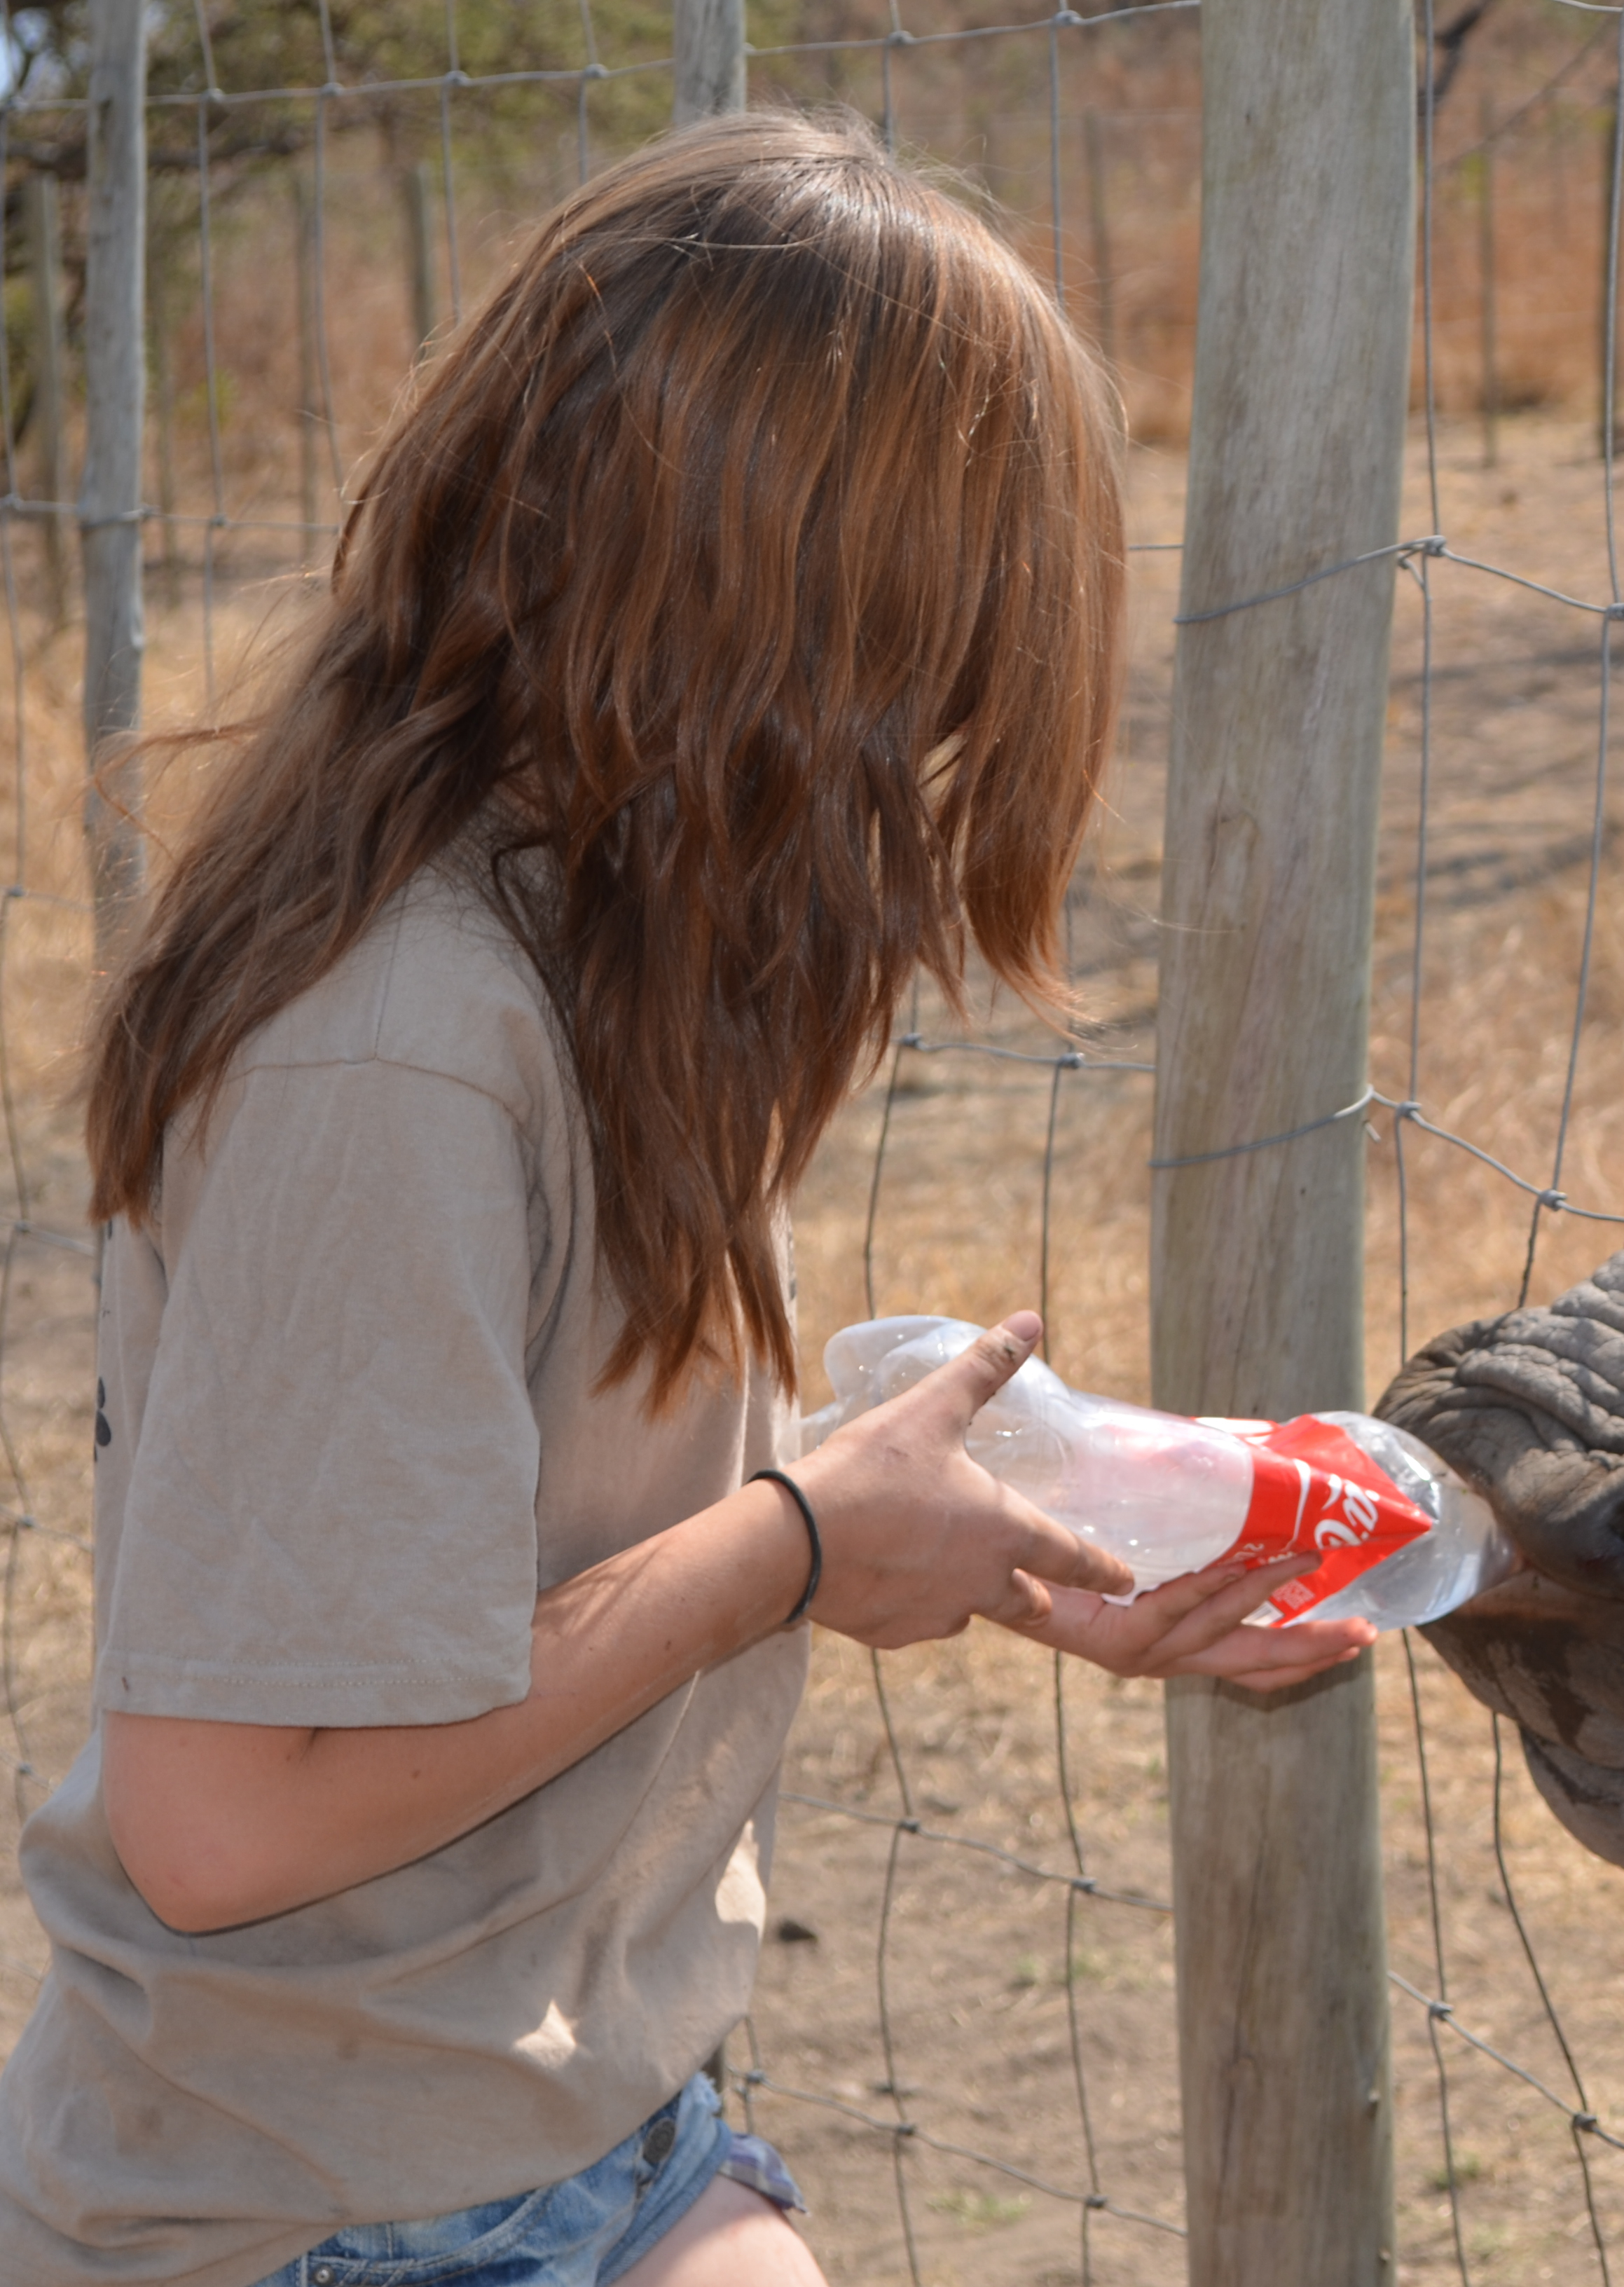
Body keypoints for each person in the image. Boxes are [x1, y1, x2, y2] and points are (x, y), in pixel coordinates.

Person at [0, 110, 1374, 2287]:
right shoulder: (398, 1046)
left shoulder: (593, 947)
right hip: (320, 2205)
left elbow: (514, 1540)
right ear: (795, 627)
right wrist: (808, 1542)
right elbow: (220, 1820)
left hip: (580, 2129)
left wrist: (1020, 1531)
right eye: (953, 645)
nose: (958, 735)